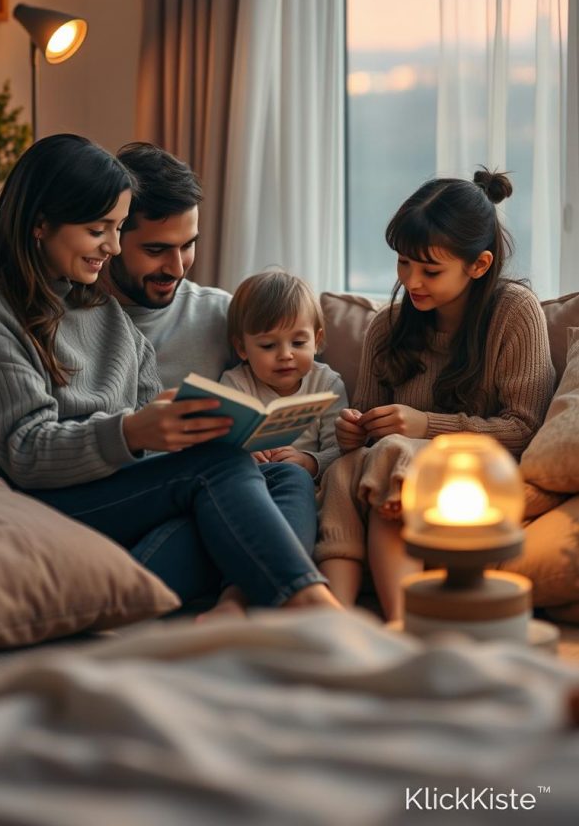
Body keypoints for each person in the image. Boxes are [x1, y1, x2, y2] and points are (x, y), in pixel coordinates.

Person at [0, 134, 339, 616]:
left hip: (120, 492)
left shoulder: (106, 314)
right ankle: (315, 607)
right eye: (101, 230)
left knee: (282, 478)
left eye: (116, 229)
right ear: (40, 225)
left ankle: (224, 606)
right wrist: (134, 430)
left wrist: (176, 428)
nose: (111, 247)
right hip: (51, 501)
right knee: (218, 468)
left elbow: (146, 437)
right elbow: (24, 451)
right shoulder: (3, 314)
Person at [315, 169, 555, 620]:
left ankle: (404, 623)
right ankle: (334, 617)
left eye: (430, 270)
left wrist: (427, 427)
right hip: (386, 470)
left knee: (391, 452)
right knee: (347, 468)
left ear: (478, 265)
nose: (412, 281)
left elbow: (526, 428)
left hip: (473, 475)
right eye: (404, 262)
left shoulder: (514, 314)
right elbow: (365, 433)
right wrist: (352, 431)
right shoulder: (386, 327)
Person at [106, 142, 325, 616]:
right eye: (156, 249)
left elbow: (277, 382)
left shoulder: (221, 315)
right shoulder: (84, 323)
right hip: (137, 497)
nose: (178, 267)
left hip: (215, 502)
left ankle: (236, 604)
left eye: (189, 245)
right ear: (111, 237)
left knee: (286, 476)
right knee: (218, 481)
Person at [221, 270, 348, 480]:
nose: (285, 355)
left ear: (316, 341)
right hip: (248, 481)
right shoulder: (235, 384)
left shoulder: (327, 384)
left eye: (298, 343)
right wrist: (242, 456)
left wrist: (309, 462)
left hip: (301, 480)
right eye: (268, 345)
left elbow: (340, 449)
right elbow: (217, 449)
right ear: (242, 348)